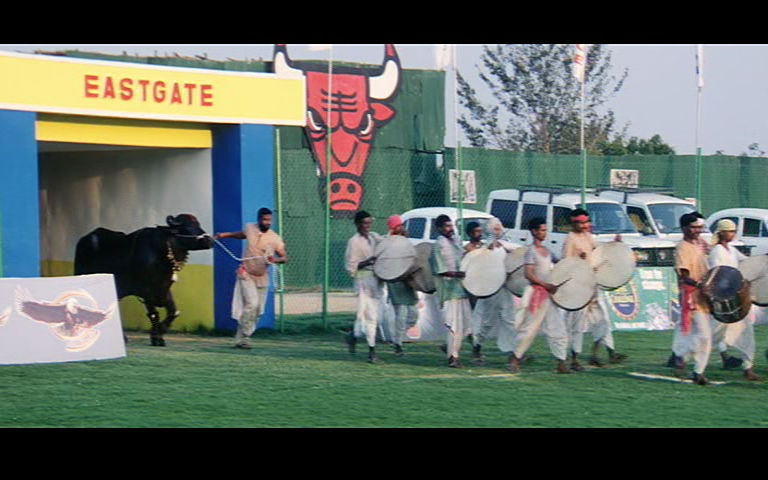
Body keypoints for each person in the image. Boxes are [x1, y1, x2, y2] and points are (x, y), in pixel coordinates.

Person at [562, 208, 627, 371]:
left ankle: (600, 354)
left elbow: (598, 251)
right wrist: (578, 261)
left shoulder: (587, 236)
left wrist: (614, 244)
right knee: (577, 325)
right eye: (580, 223)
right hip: (578, 288)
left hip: (592, 285)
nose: (584, 226)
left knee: (601, 321)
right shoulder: (570, 239)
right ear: (573, 223)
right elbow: (565, 264)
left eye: (586, 222)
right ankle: (574, 359)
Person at [216, 207, 287, 350]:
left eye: (269, 220)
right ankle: (245, 337)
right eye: (265, 220)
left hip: (262, 277)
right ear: (259, 219)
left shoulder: (275, 238)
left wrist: (275, 260)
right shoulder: (250, 228)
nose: (267, 222)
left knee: (258, 310)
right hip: (246, 273)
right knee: (251, 304)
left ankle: (241, 338)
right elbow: (241, 235)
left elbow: (284, 257)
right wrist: (224, 235)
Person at [507, 217, 571, 374]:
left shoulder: (547, 251)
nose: (545, 233)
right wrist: (545, 285)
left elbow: (561, 263)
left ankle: (561, 361)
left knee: (557, 328)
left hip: (548, 295)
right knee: (529, 329)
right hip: (536, 295)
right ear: (534, 232)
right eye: (542, 230)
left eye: (545, 230)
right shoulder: (531, 251)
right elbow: (528, 274)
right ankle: (515, 358)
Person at [707, 219, 760, 381]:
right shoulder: (717, 251)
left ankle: (748, 367)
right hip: (722, 299)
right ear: (721, 232)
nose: (732, 234)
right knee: (712, 334)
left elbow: (745, 261)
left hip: (736, 300)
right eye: (729, 231)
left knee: (746, 332)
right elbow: (719, 273)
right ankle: (684, 358)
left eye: (733, 231)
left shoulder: (731, 249)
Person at [671, 212, 716, 385]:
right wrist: (700, 285)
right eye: (693, 227)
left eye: (699, 227)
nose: (697, 230)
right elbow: (684, 275)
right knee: (704, 335)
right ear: (684, 228)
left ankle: (680, 355)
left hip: (704, 297)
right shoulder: (682, 248)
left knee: (695, 332)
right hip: (691, 296)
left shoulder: (700, 243)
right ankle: (697, 370)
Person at [468, 217, 518, 365]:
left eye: (499, 228)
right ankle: (476, 347)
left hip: (504, 289)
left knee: (509, 320)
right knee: (486, 322)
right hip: (491, 290)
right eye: (495, 228)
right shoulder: (487, 247)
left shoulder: (502, 246)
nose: (498, 231)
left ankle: (514, 351)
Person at [430, 214, 472, 368]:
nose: (450, 229)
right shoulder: (438, 245)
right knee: (454, 325)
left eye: (451, 226)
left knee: (466, 325)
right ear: (439, 228)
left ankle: (449, 348)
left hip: (461, 289)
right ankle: (453, 358)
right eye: (447, 226)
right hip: (448, 291)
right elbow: (440, 270)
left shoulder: (455, 243)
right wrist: (457, 274)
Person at [345, 210, 385, 364]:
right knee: (370, 316)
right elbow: (351, 266)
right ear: (357, 224)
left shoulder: (374, 237)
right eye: (364, 223)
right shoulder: (354, 242)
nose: (367, 226)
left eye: (369, 223)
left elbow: (386, 245)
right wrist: (368, 261)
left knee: (376, 317)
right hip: (363, 282)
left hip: (376, 281)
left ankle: (353, 336)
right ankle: (371, 352)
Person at [384, 215, 419, 356]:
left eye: (401, 225)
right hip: (395, 281)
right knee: (401, 314)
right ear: (393, 227)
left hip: (407, 280)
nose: (401, 227)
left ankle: (400, 333)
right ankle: (397, 343)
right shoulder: (388, 242)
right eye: (398, 225)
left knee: (414, 313)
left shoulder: (405, 240)